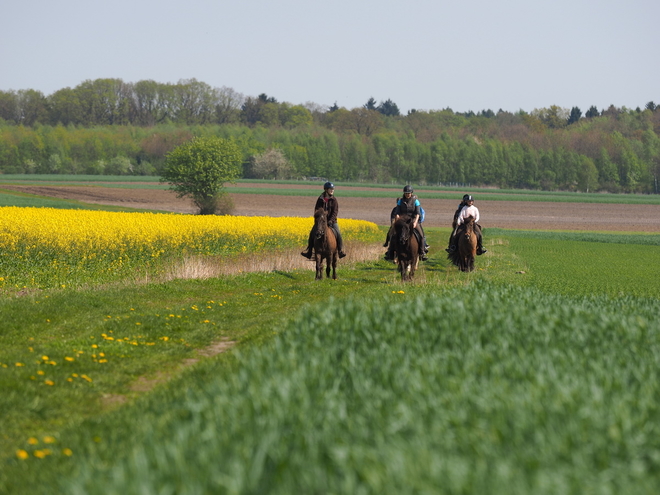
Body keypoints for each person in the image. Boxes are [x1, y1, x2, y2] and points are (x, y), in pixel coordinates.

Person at [301, 182, 346, 259]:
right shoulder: (320, 199)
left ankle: (340, 251)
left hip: (332, 222)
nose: (332, 190)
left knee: (338, 233)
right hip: (321, 222)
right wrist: (319, 219)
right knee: (312, 233)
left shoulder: (334, 200)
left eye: (333, 189)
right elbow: (317, 210)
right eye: (330, 189)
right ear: (326, 190)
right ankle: (309, 252)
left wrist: (330, 221)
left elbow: (335, 212)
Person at [384, 185, 428, 261]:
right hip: (402, 221)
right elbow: (397, 212)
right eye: (406, 193)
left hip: (413, 220)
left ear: (412, 193)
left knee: (421, 235)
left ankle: (422, 252)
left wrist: (415, 222)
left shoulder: (416, 201)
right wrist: (397, 218)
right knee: (393, 234)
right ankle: (390, 252)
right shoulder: (401, 201)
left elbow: (418, 213)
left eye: (409, 193)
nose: (407, 194)